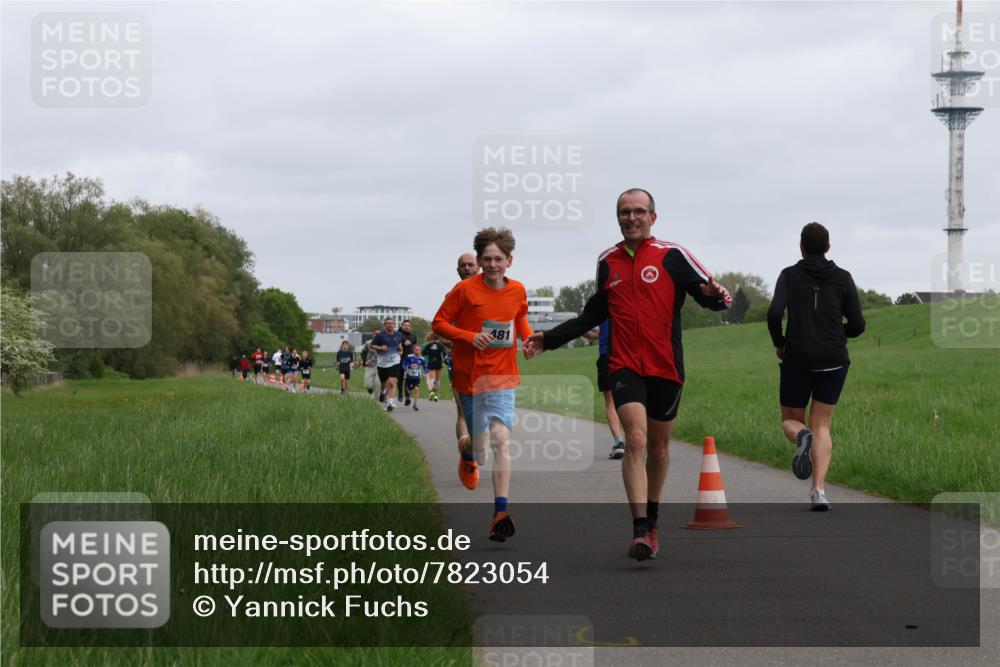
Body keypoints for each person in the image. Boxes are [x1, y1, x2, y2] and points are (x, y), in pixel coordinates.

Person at [525, 188, 731, 561]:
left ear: (653, 217)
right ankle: (639, 528)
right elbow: (593, 314)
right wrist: (549, 339)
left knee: (659, 447)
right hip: (624, 364)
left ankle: (652, 517)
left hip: (666, 365)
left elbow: (707, 294)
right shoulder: (608, 261)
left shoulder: (673, 255)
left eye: (638, 211)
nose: (631, 218)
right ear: (617, 217)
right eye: (624, 212)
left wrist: (716, 295)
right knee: (635, 438)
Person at [433, 227, 535, 542]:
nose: (492, 265)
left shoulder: (517, 290)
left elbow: (519, 320)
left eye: (498, 259)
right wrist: (469, 336)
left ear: (510, 261)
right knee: (479, 449)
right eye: (487, 259)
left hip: (503, 376)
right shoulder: (464, 291)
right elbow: (439, 323)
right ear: (479, 260)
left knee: (501, 440)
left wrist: (529, 339)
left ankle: (500, 512)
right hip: (469, 376)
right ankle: (466, 450)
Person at [766, 222, 865, 511]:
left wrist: (780, 341)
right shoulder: (843, 278)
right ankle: (819, 492)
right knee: (821, 424)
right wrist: (835, 334)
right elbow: (858, 325)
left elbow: (774, 313)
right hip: (833, 360)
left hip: (797, 357)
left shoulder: (789, 275)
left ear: (801, 246)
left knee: (791, 419)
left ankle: (801, 437)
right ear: (828, 248)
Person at [448, 252, 480, 458]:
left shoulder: (491, 292)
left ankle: (478, 443)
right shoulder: (452, 296)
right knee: (462, 410)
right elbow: (441, 329)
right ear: (458, 270)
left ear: (478, 268)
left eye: (471, 265)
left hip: (489, 362)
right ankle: (466, 453)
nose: (467, 268)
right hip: (460, 361)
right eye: (463, 265)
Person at [583, 322, 626, 459]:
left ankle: (619, 442)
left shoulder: (602, 306)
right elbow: (595, 335)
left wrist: (578, 327)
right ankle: (636, 440)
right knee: (631, 399)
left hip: (607, 356)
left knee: (610, 402)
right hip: (627, 355)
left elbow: (594, 334)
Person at [371, 317, 403, 411]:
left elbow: (399, 345)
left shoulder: (398, 335)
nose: (390, 325)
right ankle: (383, 394)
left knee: (392, 382)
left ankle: (390, 401)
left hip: (395, 362)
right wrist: (380, 348)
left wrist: (400, 349)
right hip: (382, 364)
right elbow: (372, 345)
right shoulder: (380, 335)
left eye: (392, 323)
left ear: (394, 325)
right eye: (388, 323)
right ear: (385, 325)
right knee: (384, 384)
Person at [397, 319, 418, 405]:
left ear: (410, 327)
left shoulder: (413, 336)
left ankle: (407, 397)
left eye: (408, 325)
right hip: (400, 359)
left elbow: (415, 346)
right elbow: (395, 343)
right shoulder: (398, 334)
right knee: (400, 378)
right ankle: (400, 393)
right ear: (402, 326)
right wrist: (402, 343)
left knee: (409, 379)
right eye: (405, 325)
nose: (407, 326)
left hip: (410, 360)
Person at [402, 344, 428, 411]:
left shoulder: (422, 359)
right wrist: (406, 369)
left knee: (416, 389)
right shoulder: (409, 357)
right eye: (416, 349)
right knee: (409, 390)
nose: (417, 351)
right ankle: (408, 397)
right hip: (409, 377)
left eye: (419, 350)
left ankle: (415, 405)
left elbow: (425, 367)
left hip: (417, 377)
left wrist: (425, 373)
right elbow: (404, 364)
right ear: (413, 350)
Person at [424, 334, 446, 401]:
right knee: (438, 379)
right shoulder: (440, 345)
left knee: (432, 378)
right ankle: (436, 395)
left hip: (431, 362)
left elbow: (423, 352)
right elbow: (444, 353)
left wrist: (430, 353)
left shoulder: (428, 345)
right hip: (438, 362)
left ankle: (432, 392)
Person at [361, 331, 381, 399]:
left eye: (378, 334)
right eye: (375, 334)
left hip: (380, 366)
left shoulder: (384, 343)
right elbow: (363, 352)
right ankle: (369, 388)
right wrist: (364, 362)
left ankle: (376, 398)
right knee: (367, 383)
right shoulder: (368, 343)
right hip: (370, 365)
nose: (377, 335)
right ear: (373, 334)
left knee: (378, 383)